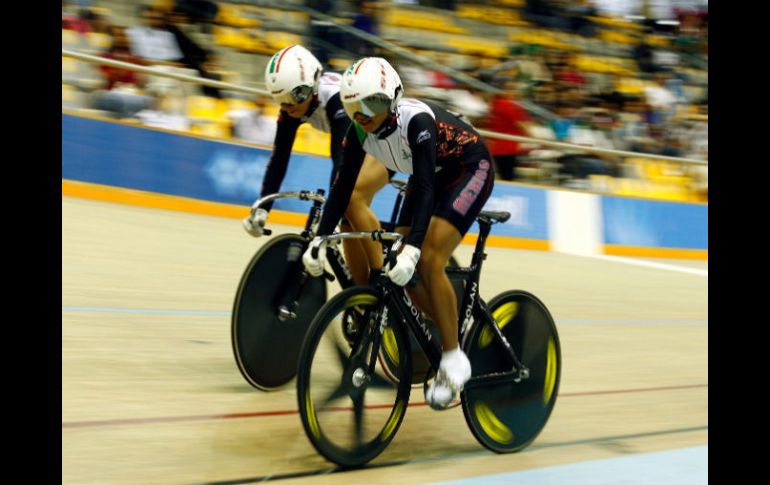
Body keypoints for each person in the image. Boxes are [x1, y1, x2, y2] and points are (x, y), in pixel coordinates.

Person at [301, 57, 495, 408]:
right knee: (403, 268)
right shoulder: (358, 130)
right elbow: (342, 189)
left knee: (429, 260)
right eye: (354, 105)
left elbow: (422, 189)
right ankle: (450, 323)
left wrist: (414, 249)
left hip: (469, 168)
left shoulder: (416, 122)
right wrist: (320, 238)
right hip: (434, 176)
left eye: (372, 103)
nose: (363, 114)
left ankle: (453, 360)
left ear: (392, 100)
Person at [242, 45, 392, 286]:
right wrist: (264, 207)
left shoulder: (336, 101)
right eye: (279, 99)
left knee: (350, 201)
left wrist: (326, 225)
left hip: (387, 143)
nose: (288, 105)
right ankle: (364, 301)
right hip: (363, 141)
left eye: (295, 96)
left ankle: (381, 279)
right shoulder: (292, 107)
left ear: (313, 85)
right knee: (347, 223)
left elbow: (341, 164)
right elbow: (279, 158)